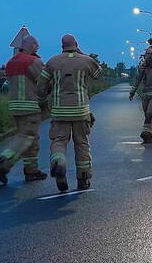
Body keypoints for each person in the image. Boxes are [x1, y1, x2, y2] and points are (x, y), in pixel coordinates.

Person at [38, 34, 103, 192]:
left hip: (60, 110)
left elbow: (41, 84)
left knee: (59, 141)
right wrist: (83, 54)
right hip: (81, 110)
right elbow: (99, 73)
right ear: (76, 44)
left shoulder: (53, 61)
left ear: (62, 46)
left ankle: (59, 163)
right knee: (82, 143)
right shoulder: (85, 60)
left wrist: (44, 96)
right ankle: (83, 178)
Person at [0, 34, 47, 185]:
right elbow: (45, 81)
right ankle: (4, 162)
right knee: (26, 136)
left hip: (15, 106)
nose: (37, 49)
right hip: (30, 106)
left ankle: (31, 171)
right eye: (37, 47)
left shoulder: (11, 62)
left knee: (31, 139)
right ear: (32, 45)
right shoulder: (33, 61)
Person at [129, 47, 152, 142]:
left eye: (151, 54)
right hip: (145, 94)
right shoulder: (142, 67)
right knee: (147, 114)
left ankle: (145, 133)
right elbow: (138, 79)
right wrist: (132, 92)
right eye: (148, 54)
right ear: (145, 55)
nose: (149, 56)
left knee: (150, 112)